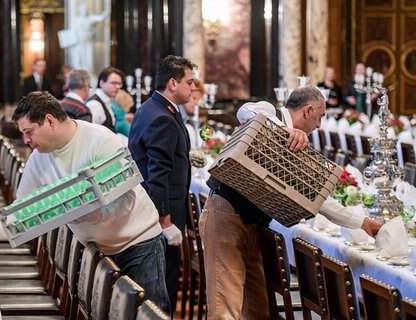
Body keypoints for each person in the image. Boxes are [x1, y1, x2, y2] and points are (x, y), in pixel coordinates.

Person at [0, 91, 171, 315]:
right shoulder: (38, 158)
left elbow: (125, 201)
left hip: (139, 243)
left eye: (29, 132)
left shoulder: (101, 139)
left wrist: (89, 214)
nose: (26, 141)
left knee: (150, 313)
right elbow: (21, 214)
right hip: (97, 249)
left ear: (50, 121)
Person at [200, 86, 383, 319]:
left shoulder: (300, 148)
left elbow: (318, 199)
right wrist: (283, 130)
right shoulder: (270, 112)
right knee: (224, 310)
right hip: (225, 216)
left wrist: (363, 223)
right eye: (320, 116)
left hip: (253, 225)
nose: (319, 125)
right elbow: (244, 111)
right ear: (308, 110)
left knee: (259, 310)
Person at [128, 55, 197, 314]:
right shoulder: (162, 117)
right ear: (172, 83)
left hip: (151, 210)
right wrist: (166, 223)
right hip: (159, 216)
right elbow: (157, 175)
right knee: (163, 286)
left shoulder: (153, 107)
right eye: (189, 82)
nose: (193, 88)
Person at [70, 3, 108, 73]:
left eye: (86, 9)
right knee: (79, 58)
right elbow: (72, 31)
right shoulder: (76, 20)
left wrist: (105, 13)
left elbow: (99, 18)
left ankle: (88, 72)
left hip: (89, 42)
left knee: (89, 57)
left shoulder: (90, 18)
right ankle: (80, 72)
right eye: (83, 9)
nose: (85, 10)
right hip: (79, 42)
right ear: (80, 10)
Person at [86, 66, 124, 132]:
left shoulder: (107, 101)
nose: (118, 87)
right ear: (102, 83)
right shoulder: (94, 104)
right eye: (114, 83)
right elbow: (91, 133)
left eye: (119, 84)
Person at [179, 78, 205, 149]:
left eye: (197, 100)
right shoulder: (178, 114)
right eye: (194, 98)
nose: (196, 103)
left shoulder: (183, 116)